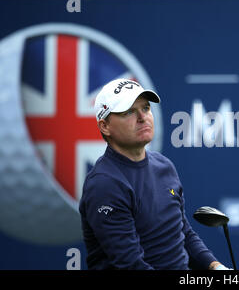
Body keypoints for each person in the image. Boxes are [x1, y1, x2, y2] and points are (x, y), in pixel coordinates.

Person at [79, 78, 229, 270]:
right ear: (105, 126)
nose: (142, 117)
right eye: (129, 112)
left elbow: (182, 233)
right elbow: (131, 265)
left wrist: (215, 267)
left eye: (146, 108)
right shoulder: (105, 184)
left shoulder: (164, 166)